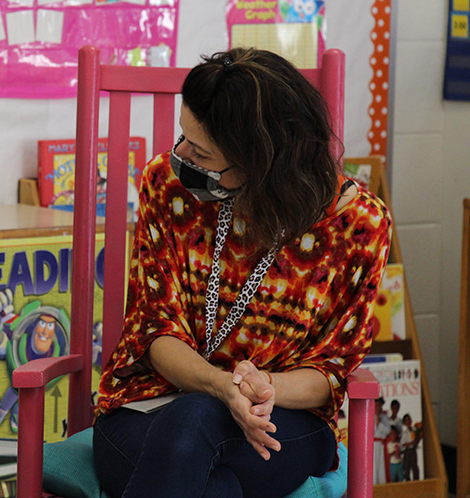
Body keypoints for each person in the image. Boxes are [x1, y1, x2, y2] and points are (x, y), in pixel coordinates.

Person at [92, 48, 392, 498]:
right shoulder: (167, 186)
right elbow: (154, 330)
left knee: (195, 424)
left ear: (263, 161)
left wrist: (262, 388)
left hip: (282, 420)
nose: (182, 156)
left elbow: (331, 370)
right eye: (184, 136)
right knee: (207, 467)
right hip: (147, 408)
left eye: (203, 152)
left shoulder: (359, 225)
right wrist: (221, 386)